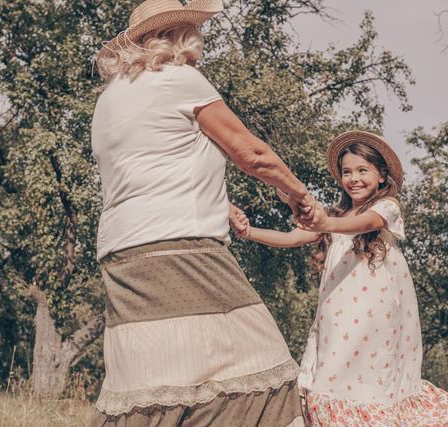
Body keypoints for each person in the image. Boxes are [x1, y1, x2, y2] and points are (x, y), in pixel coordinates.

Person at [90, 0, 314, 425]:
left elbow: (144, 172)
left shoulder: (109, 100)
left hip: (122, 254)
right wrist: (297, 193)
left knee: (150, 378)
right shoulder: (180, 80)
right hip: (182, 248)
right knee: (259, 358)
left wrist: (220, 203)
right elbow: (251, 153)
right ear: (181, 36)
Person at [232, 130, 448, 425]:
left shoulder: (386, 207)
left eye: (362, 170)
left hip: (374, 315)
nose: (353, 178)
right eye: (347, 172)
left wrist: (327, 222)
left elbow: (365, 223)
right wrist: (248, 232)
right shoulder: (337, 215)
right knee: (331, 371)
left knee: (365, 376)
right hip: (337, 314)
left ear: (381, 176)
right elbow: (291, 238)